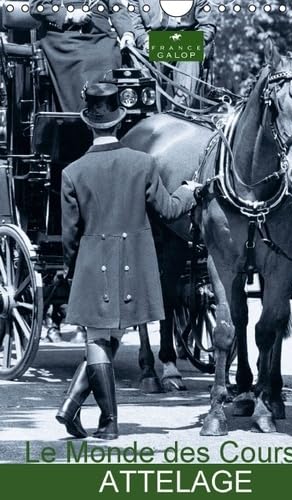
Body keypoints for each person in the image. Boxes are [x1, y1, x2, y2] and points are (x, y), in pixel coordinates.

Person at [56, 82, 200, 440]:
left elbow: (70, 238)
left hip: (93, 263)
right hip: (134, 264)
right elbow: (169, 210)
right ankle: (72, 408)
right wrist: (190, 190)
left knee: (98, 339)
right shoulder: (143, 163)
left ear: (89, 123)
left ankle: (108, 422)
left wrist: (73, 271)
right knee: (110, 335)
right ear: (120, 122)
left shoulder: (72, 173)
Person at [30, 1, 135, 111]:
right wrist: (68, 15)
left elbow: (117, 7)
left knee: (111, 57)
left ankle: (110, 114)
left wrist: (127, 33)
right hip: (64, 34)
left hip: (101, 33)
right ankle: (81, 116)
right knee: (82, 61)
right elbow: (37, 7)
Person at [129, 0, 217, 106]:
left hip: (185, 40)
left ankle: (181, 107)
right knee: (148, 66)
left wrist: (194, 43)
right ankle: (152, 109)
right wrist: (144, 40)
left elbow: (208, 27)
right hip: (153, 42)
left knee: (190, 57)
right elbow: (134, 24)